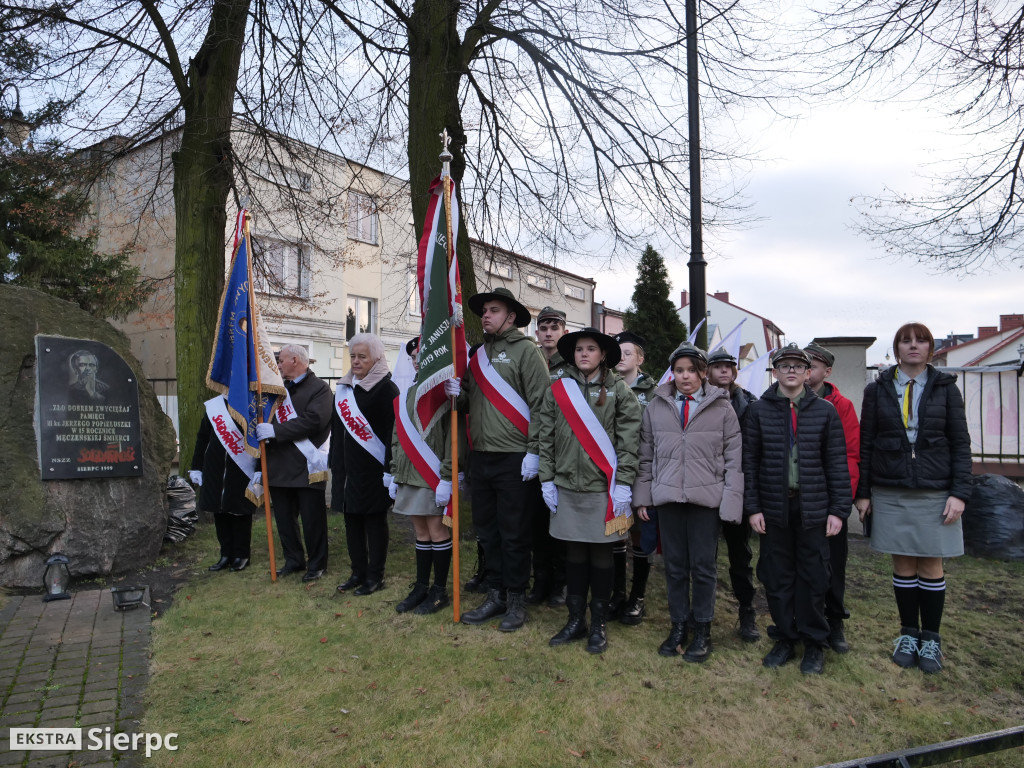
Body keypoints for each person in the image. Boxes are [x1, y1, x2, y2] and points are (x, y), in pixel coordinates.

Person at [855, 323, 971, 674]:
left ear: (930, 348)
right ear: (897, 348)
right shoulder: (876, 390)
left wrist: (960, 493)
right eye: (906, 341)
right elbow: (866, 442)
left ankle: (931, 639)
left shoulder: (947, 389)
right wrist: (863, 493)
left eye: (920, 341)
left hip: (935, 491)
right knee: (903, 565)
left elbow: (961, 443)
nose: (913, 346)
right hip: (891, 489)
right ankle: (907, 634)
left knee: (931, 566)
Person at [744, 343, 851, 675]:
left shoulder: (825, 411)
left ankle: (815, 641)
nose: (791, 370)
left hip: (813, 508)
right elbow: (750, 463)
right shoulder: (758, 410)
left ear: (808, 373)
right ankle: (785, 637)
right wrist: (753, 507)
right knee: (777, 576)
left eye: (797, 365)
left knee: (814, 576)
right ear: (774, 372)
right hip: (774, 508)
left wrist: (838, 510)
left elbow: (837, 463)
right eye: (784, 365)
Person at [633, 343, 743, 663]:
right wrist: (643, 496)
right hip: (667, 498)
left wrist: (731, 503)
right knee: (676, 567)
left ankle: (703, 629)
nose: (685, 376)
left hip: (705, 501)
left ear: (703, 372)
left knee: (704, 568)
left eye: (691, 370)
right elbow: (646, 455)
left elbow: (734, 460)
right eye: (679, 370)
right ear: (672, 373)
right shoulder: (657, 405)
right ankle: (679, 625)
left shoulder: (721, 407)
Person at [450, 287, 550, 632]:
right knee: (488, 532)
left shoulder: (527, 353)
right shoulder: (476, 356)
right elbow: (468, 405)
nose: (486, 316)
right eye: (484, 311)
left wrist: (534, 453)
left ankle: (517, 598)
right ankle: (496, 593)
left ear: (511, 316)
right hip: (481, 458)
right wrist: (455, 396)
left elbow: (541, 406)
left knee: (514, 533)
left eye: (494, 310)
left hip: (515, 458)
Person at [539, 327, 641, 653]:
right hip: (566, 485)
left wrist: (624, 483)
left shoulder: (620, 391)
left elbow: (629, 443)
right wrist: (546, 478)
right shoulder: (558, 389)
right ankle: (574, 620)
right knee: (574, 555)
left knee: (601, 555)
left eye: (591, 348)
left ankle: (597, 623)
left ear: (603, 355)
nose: (584, 353)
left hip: (603, 490)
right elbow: (546, 437)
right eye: (580, 349)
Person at [388, 337, 459, 615]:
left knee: (437, 532)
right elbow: (398, 436)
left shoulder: (444, 392)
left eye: (422, 355)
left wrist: (447, 476)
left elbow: (453, 438)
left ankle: (439, 591)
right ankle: (421, 586)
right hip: (409, 474)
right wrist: (394, 473)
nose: (417, 359)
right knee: (420, 532)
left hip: (433, 476)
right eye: (415, 356)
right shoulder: (408, 393)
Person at [255, 344, 332, 582]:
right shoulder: (279, 390)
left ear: (295, 360)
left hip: (305, 466)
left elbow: (314, 421)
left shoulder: (320, 389)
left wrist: (276, 431)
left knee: (312, 521)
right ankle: (294, 560)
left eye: (281, 360)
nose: (278, 365)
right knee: (285, 521)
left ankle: (317, 564)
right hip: (278, 465)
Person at [331, 332, 399, 596]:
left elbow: (393, 434)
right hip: (347, 469)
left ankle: (375, 576)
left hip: (374, 471)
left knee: (373, 521)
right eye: (353, 357)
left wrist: (390, 469)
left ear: (377, 359)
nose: (356, 362)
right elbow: (338, 431)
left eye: (362, 357)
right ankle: (357, 572)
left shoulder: (386, 389)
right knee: (351, 520)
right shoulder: (344, 388)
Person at [804, 341, 861, 654]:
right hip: (800, 499)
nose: (808, 369)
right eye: (805, 363)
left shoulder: (842, 406)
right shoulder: (788, 402)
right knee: (802, 564)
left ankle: (834, 620)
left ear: (827, 370)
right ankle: (803, 619)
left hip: (829, 500)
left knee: (832, 565)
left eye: (815, 364)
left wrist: (841, 504)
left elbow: (851, 456)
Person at [706, 346, 761, 643]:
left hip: (736, 488)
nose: (724, 370)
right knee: (706, 557)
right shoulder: (700, 400)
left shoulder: (750, 404)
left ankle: (747, 611)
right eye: (718, 366)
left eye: (729, 366)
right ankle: (704, 613)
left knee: (740, 557)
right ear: (708, 372)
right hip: (706, 487)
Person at [611, 330, 658, 626]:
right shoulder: (605, 386)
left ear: (640, 358)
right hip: (612, 470)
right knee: (616, 532)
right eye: (618, 353)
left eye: (628, 353)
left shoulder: (653, 393)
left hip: (640, 472)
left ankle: (637, 597)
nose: (622, 357)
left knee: (640, 536)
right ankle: (617, 592)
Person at [525, 306, 571, 607]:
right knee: (536, 521)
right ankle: (540, 580)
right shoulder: (530, 361)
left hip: (563, 451)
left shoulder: (572, 365)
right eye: (543, 328)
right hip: (533, 448)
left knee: (561, 520)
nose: (549, 333)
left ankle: (560, 582)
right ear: (537, 333)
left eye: (555, 327)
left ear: (564, 332)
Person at [190, 399, 257, 573]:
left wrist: (259, 469)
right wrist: (197, 466)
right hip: (215, 466)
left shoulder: (251, 404)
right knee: (219, 510)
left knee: (239, 511)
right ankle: (226, 554)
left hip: (241, 467)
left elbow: (258, 440)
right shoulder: (215, 407)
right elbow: (202, 437)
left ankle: (242, 555)